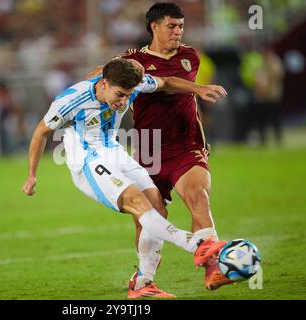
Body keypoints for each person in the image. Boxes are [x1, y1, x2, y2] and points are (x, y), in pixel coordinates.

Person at [22, 58, 227, 298]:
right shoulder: (71, 100)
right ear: (104, 83)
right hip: (87, 161)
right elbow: (40, 133)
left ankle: (143, 283)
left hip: (114, 152)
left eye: (128, 96)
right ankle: (196, 245)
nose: (122, 102)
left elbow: (166, 83)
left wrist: (198, 89)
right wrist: (32, 175)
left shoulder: (134, 83)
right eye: (119, 95)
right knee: (139, 204)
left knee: (157, 206)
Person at [88, 2, 233, 293]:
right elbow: (101, 76)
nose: (178, 31)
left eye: (180, 26)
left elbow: (168, 84)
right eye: (172, 26)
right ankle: (143, 281)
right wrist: (95, 87)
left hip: (185, 144)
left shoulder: (190, 57)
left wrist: (197, 89)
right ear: (154, 26)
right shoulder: (133, 60)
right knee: (150, 217)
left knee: (197, 196)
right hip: (148, 148)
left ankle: (213, 269)